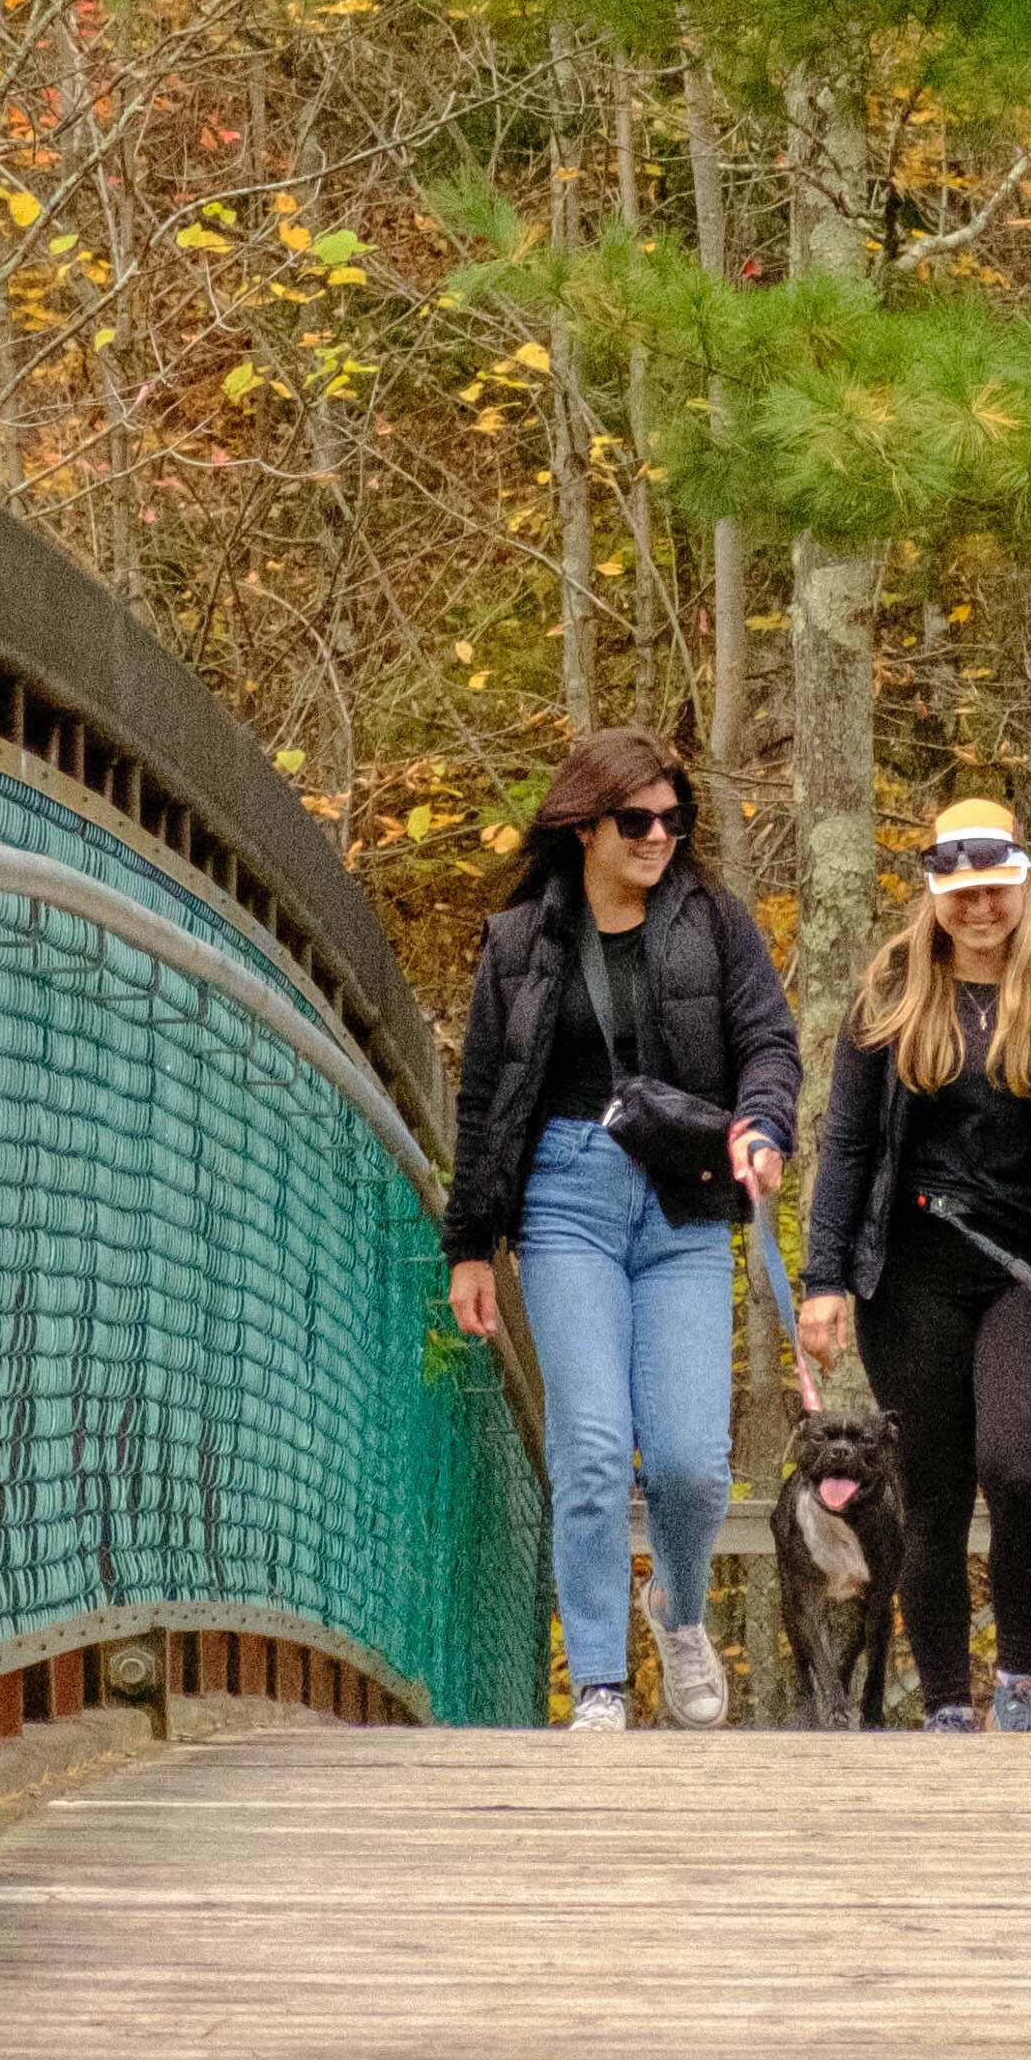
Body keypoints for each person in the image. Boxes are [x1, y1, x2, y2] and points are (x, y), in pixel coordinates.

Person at [439, 727, 797, 1730]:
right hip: (565, 1199)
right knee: (592, 1448)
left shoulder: (717, 922)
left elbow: (770, 1038)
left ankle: (678, 1612)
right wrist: (472, 1243)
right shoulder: (518, 942)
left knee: (690, 1462)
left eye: (673, 820)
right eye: (637, 820)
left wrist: (764, 1122)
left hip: (683, 1202)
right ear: (585, 824)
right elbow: (483, 1100)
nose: (658, 837)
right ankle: (598, 1676)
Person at [797, 795, 1031, 1738]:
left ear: (1022, 884)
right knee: (933, 1493)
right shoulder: (890, 992)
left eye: (996, 889)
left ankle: (1023, 1677)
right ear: (935, 895)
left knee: (1021, 1467)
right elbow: (849, 1146)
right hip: (910, 1274)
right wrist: (823, 1279)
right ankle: (949, 1699)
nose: (981, 909)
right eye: (962, 893)